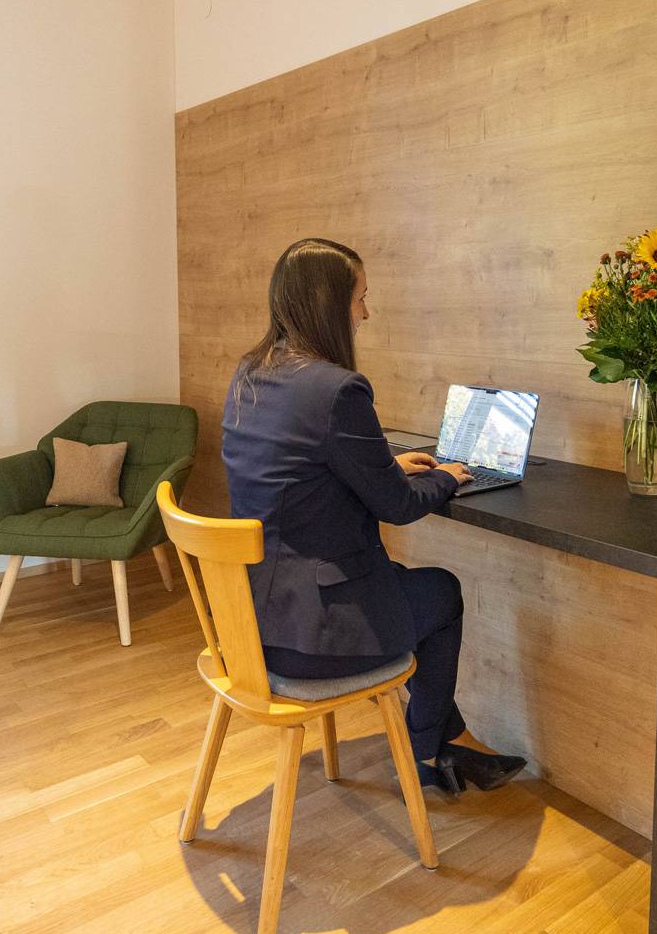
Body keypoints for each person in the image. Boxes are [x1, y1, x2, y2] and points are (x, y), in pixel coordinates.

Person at [221, 238, 526, 793]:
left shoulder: (251, 374)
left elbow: (297, 468)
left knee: (410, 588)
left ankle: (446, 743)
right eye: (361, 298)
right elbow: (398, 507)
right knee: (443, 593)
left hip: (251, 623)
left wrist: (385, 464)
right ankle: (427, 754)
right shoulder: (338, 389)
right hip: (312, 637)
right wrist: (447, 476)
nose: (366, 313)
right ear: (330, 304)